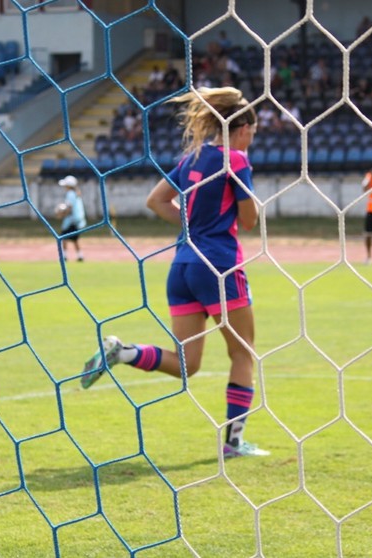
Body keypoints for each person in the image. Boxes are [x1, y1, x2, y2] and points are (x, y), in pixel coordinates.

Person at [80, 86, 268, 459]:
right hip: (219, 266)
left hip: (183, 265)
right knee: (243, 353)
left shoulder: (192, 157)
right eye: (254, 129)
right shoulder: (237, 160)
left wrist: (189, 227)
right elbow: (249, 221)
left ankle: (123, 352)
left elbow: (155, 201)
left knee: (188, 365)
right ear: (243, 127)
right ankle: (234, 443)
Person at [56, 175, 87, 262]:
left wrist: (61, 214)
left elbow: (69, 207)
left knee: (63, 237)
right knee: (75, 239)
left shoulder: (70, 194)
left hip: (72, 220)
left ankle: (64, 256)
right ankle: (80, 255)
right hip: (78, 220)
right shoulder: (76, 194)